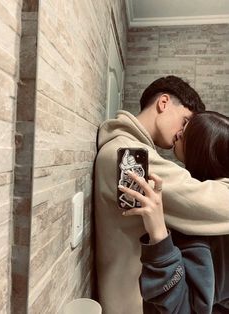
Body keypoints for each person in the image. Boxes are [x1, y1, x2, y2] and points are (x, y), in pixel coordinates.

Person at [94, 76, 229, 314]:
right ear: (164, 103)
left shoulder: (135, 152)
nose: (182, 133)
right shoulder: (126, 156)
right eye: (185, 121)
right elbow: (217, 204)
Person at [119, 111, 229, 313]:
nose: (178, 132)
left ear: (203, 146)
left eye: (186, 130)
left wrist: (159, 235)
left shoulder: (211, 234)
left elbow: (185, 308)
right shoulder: (205, 202)